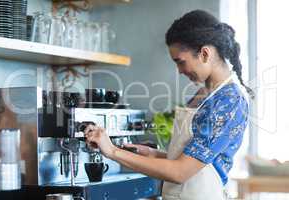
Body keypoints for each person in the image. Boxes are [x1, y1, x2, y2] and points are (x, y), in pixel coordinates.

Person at [85, 10, 252, 200]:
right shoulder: (204, 95)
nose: (179, 71)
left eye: (180, 62)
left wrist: (112, 151)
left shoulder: (229, 101)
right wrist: (153, 154)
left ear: (205, 53)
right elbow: (198, 163)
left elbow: (180, 172)